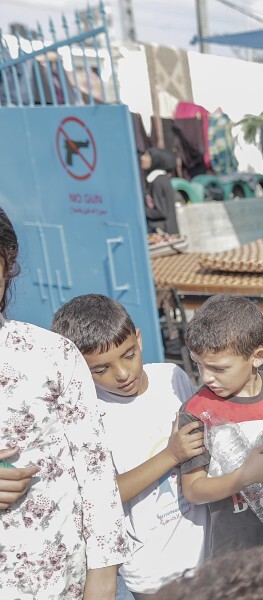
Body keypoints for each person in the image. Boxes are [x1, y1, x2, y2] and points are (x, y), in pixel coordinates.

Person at [0, 206, 131, 598]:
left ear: (8, 266)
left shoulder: (51, 354)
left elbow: (95, 475)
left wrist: (103, 581)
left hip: (58, 584)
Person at [51, 295, 208, 597]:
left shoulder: (172, 377)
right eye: (100, 370)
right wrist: (171, 455)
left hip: (208, 549)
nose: (122, 374)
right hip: (154, 571)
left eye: (128, 354)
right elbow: (101, 498)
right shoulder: (84, 416)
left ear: (138, 339)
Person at [177, 295, 263, 599]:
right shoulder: (196, 410)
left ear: (257, 357)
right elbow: (193, 489)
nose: (206, 377)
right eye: (199, 365)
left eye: (218, 368)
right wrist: (244, 477)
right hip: (237, 557)